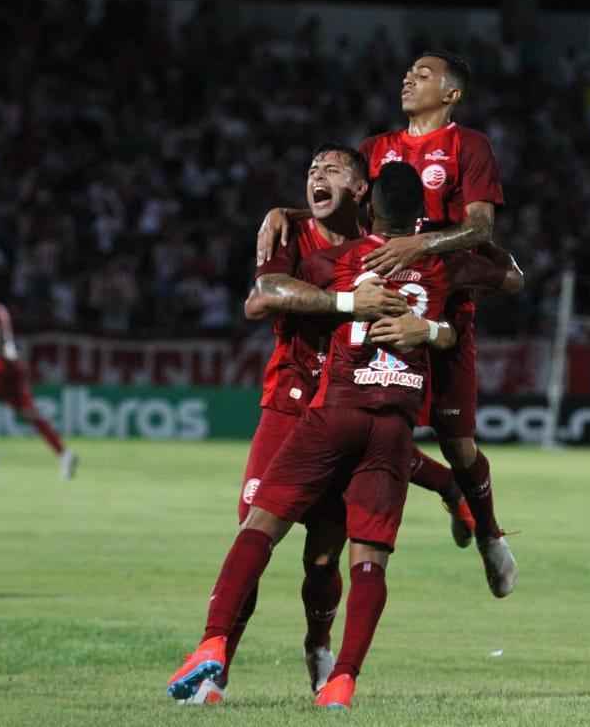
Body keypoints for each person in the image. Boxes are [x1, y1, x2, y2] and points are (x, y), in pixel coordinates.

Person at [167, 162, 522, 710]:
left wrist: (315, 260)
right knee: (369, 561)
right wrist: (442, 270)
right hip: (396, 426)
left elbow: (265, 294)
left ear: (369, 206)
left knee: (260, 525)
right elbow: (511, 276)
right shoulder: (442, 265)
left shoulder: (337, 260)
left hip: (335, 410)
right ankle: (341, 682)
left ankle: (212, 645)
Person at [258, 51, 516, 597]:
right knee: (368, 423)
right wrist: (291, 213)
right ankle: (428, 502)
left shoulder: (469, 147)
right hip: (378, 302)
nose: (408, 78)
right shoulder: (377, 149)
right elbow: (348, 204)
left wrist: (419, 244)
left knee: (458, 441)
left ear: (451, 94)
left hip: (442, 305)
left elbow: (480, 227)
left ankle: (490, 534)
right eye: (408, 72)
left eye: (423, 75)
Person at [187, 143, 409, 704]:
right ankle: (215, 668)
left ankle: (318, 646)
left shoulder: (383, 249)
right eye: (311, 168)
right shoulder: (289, 233)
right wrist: (343, 303)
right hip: (289, 407)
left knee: (322, 557)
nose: (317, 174)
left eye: (332, 169)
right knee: (254, 535)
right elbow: (260, 298)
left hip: (348, 409)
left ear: (361, 189)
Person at [0, 274, 78, 480]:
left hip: (0, 367)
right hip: (11, 366)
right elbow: (0, 341)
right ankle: (64, 453)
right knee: (29, 413)